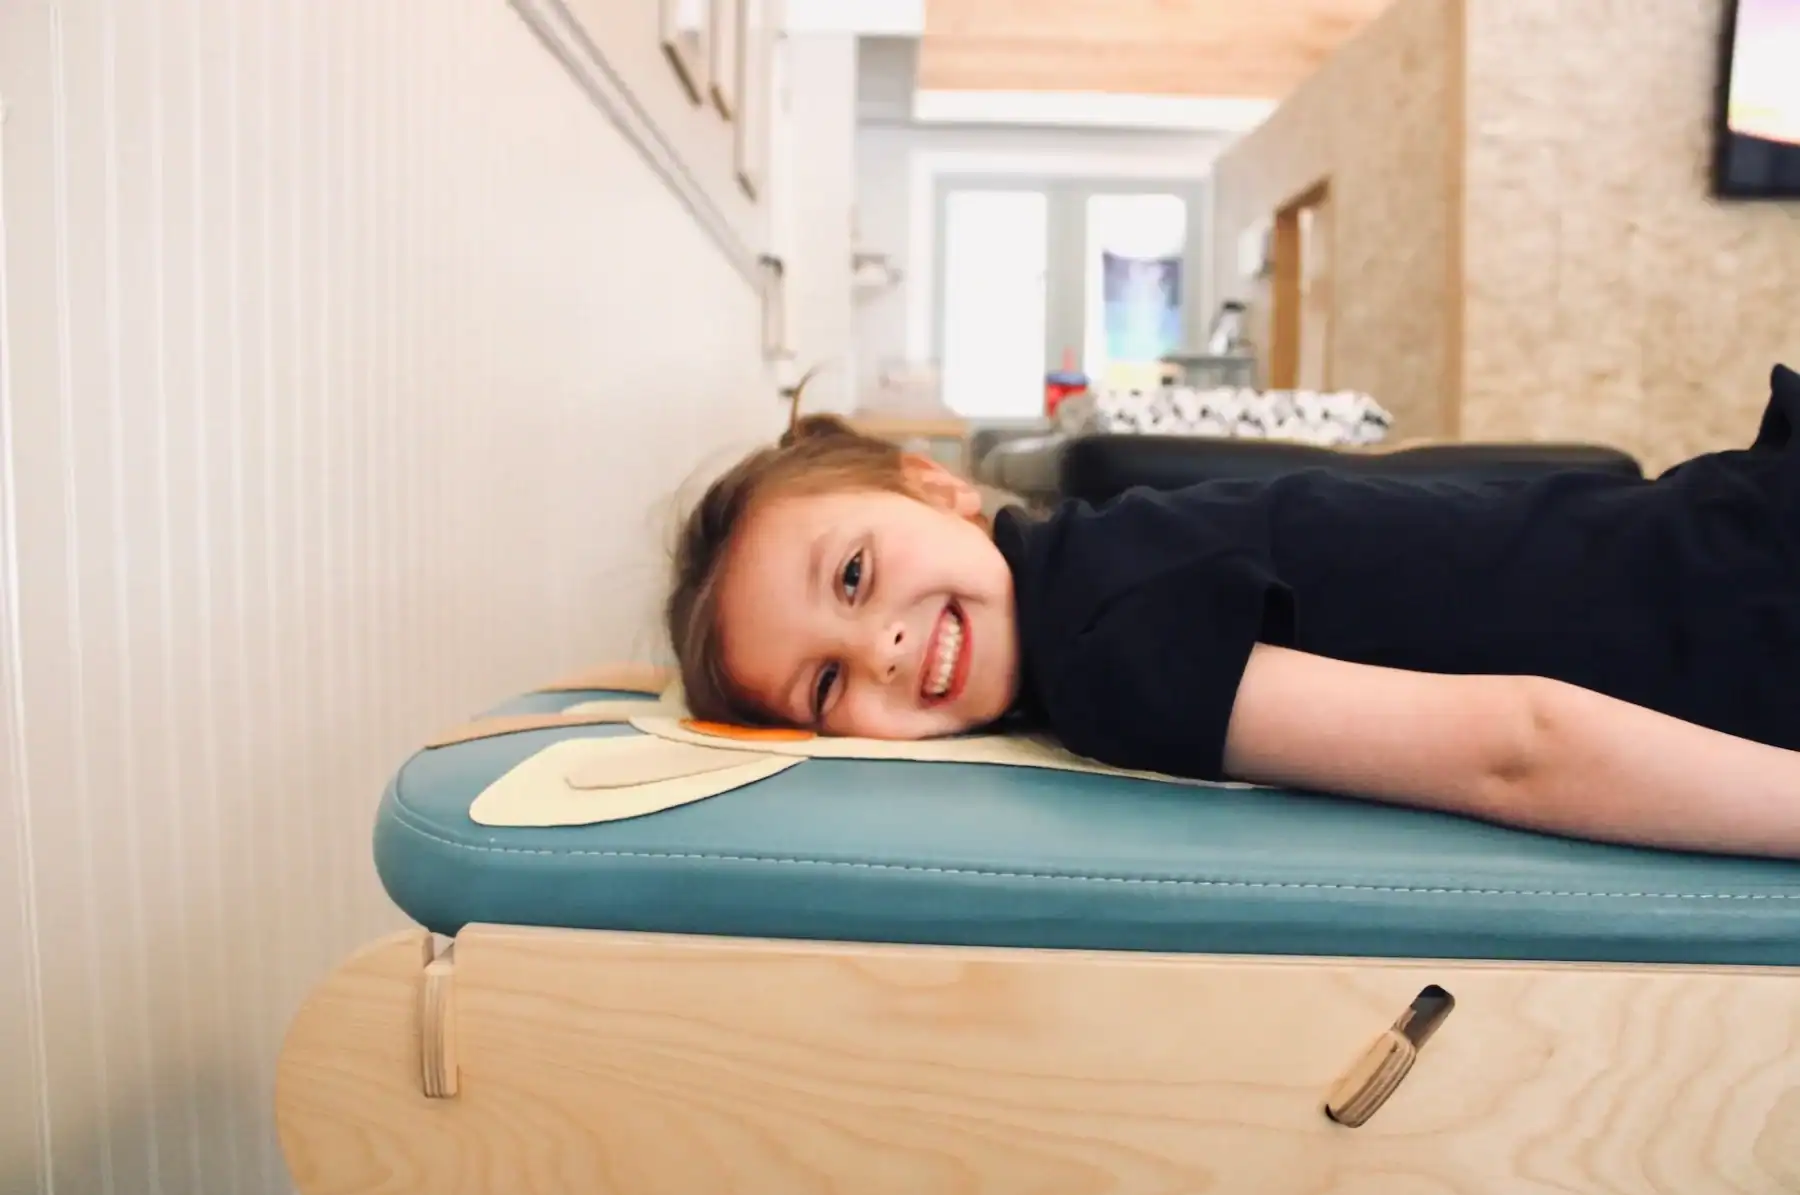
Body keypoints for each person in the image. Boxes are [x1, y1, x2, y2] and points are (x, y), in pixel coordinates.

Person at [664, 365, 1800, 861]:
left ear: (934, 485)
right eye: (826, 688)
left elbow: (1517, 749)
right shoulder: (1103, 549)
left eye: (852, 578)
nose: (884, 650)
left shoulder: (1105, 644)